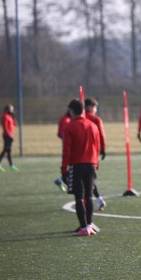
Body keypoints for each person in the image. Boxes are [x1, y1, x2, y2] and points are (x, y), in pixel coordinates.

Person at [61, 99, 100, 236]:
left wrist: (63, 169)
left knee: (79, 197)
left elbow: (67, 150)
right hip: (91, 164)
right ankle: (89, 225)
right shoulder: (93, 125)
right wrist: (96, 163)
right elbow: (97, 146)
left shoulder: (69, 126)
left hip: (76, 165)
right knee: (89, 196)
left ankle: (84, 228)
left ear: (72, 111)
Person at [85, 98, 107, 210]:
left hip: (80, 153)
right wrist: (103, 148)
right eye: (95, 107)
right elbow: (102, 135)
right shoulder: (95, 119)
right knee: (89, 178)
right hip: (93, 153)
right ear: (89, 107)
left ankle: (98, 200)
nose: (95, 110)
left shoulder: (79, 118)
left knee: (86, 180)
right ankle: (98, 200)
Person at [0, 104, 18, 172]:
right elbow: (5, 127)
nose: (12, 110)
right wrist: (9, 135)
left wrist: (13, 116)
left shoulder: (10, 116)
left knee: (8, 151)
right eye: (11, 109)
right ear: (8, 109)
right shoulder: (5, 116)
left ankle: (11, 165)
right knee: (6, 150)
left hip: (10, 135)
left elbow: (15, 124)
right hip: (7, 135)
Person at [54, 107, 71, 191]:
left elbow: (59, 133)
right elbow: (62, 133)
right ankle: (67, 182)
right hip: (69, 146)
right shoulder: (66, 120)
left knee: (70, 166)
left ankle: (60, 180)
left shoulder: (64, 119)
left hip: (67, 145)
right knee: (72, 165)